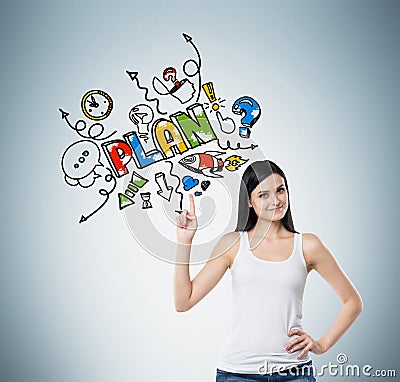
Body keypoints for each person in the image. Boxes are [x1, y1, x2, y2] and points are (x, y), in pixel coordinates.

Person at [174, 160, 363, 382]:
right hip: (238, 374)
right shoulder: (233, 244)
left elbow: (353, 302)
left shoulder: (308, 245)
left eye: (280, 190)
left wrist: (321, 345)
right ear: (249, 201)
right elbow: (183, 302)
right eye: (263, 195)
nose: (275, 200)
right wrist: (184, 241)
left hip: (294, 373)